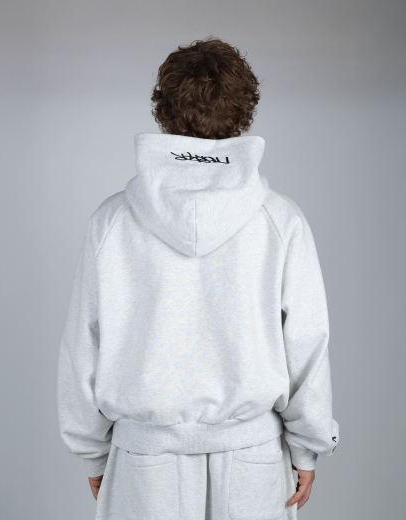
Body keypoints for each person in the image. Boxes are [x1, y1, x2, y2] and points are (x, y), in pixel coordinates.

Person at [57, 36, 339, 520]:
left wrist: (92, 451)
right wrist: (308, 446)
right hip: (252, 458)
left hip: (144, 459)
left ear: (163, 109)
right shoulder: (280, 220)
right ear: (244, 112)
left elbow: (83, 342)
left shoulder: (112, 222)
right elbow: (307, 342)